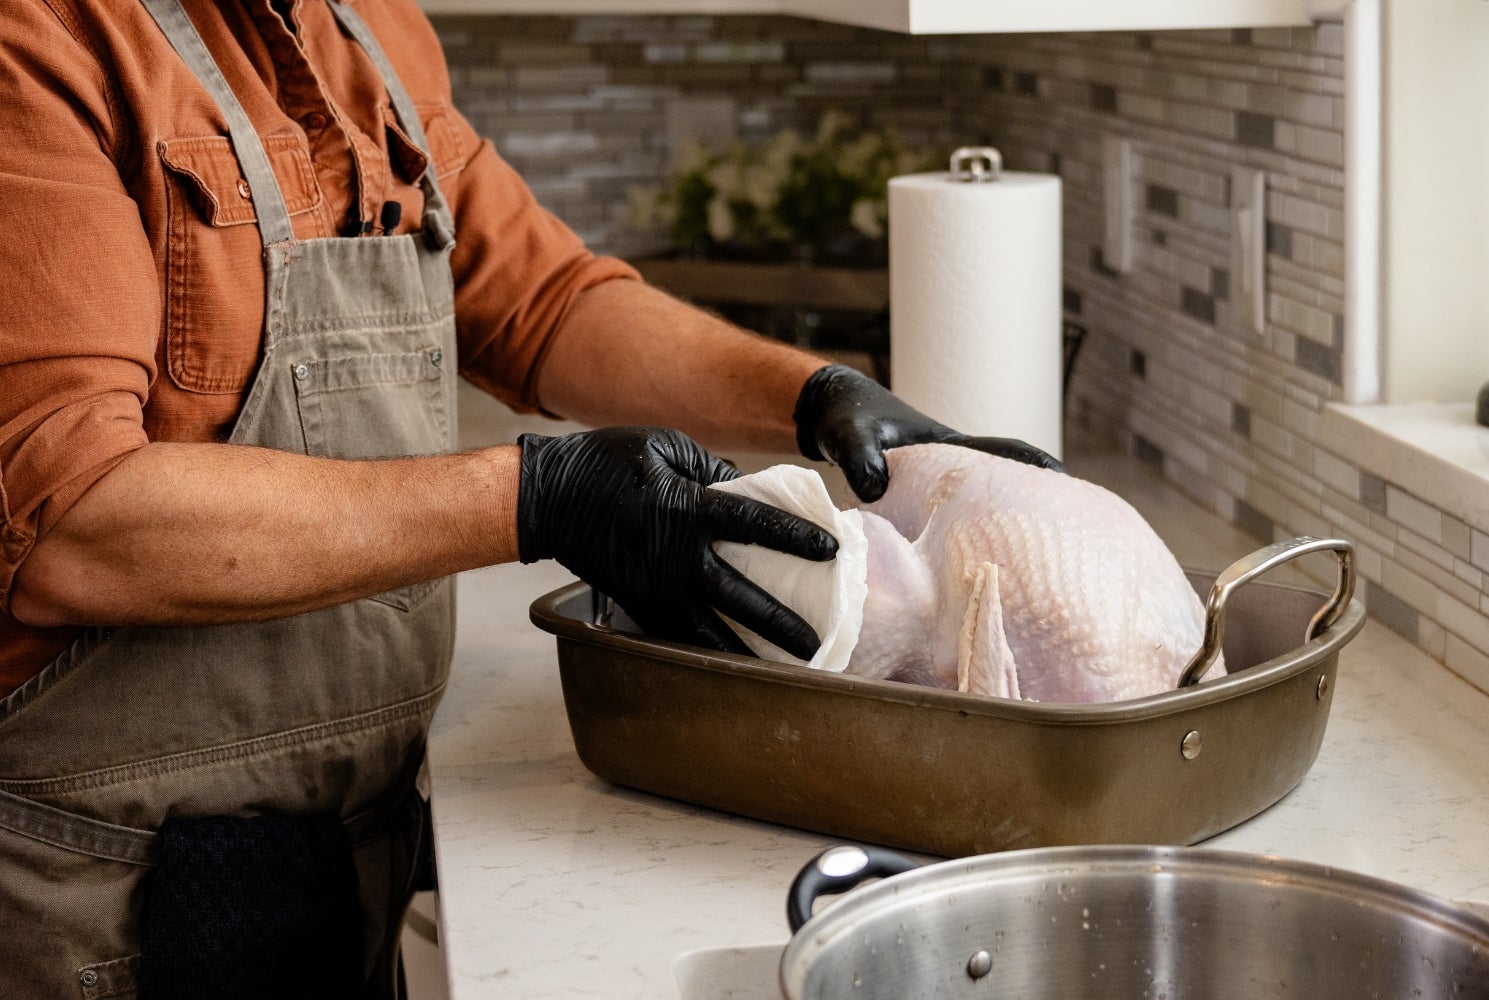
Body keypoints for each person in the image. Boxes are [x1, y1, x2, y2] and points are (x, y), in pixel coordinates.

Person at [0, 1, 1056, 995]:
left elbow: (542, 307)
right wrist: (537, 496)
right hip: (101, 873)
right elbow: (76, 518)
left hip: (337, 834)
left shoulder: (367, 33)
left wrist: (812, 395)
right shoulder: (42, 39)